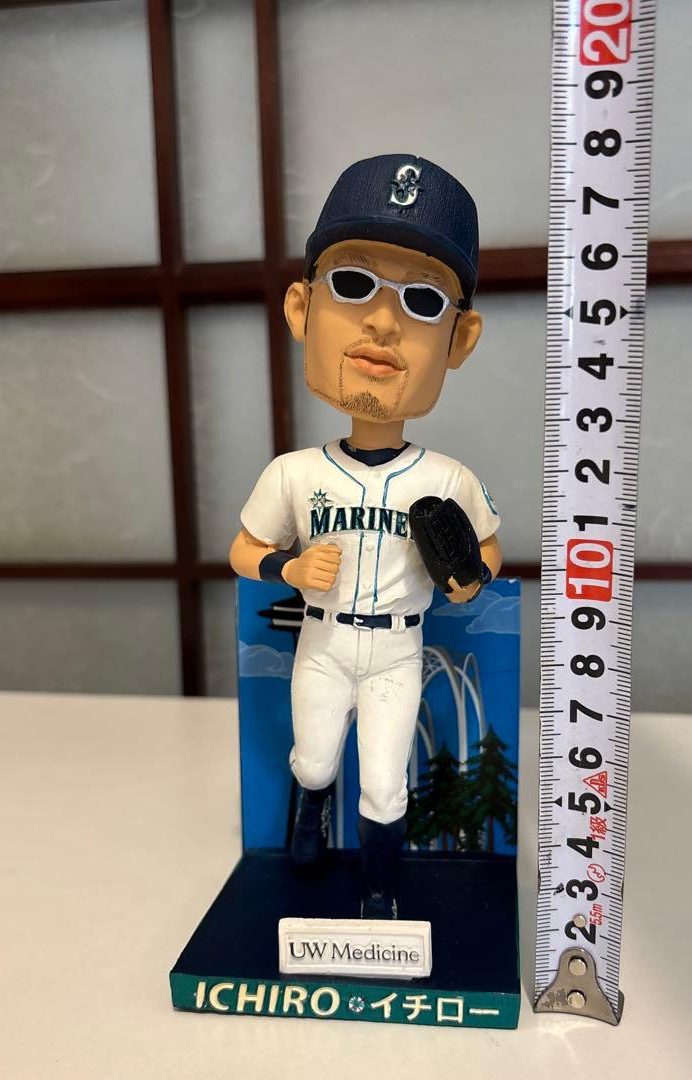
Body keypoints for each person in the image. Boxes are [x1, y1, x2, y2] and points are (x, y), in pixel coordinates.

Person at [228, 154, 502, 919]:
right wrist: (288, 569)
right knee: (314, 761)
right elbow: (243, 552)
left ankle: (380, 888)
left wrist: (469, 579)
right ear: (301, 308)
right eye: (353, 284)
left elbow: (484, 553)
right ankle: (306, 834)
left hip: (395, 650)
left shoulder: (447, 478)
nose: (383, 322)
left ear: (460, 339)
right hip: (322, 640)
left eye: (422, 300)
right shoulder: (294, 472)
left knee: (385, 782)